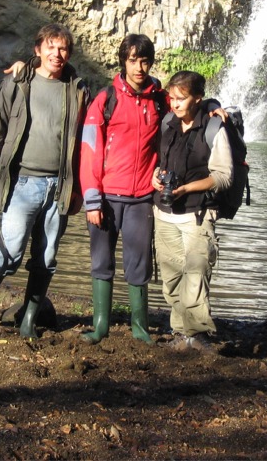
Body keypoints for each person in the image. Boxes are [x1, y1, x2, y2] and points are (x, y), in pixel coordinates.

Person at [0, 23, 89, 339]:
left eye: (63, 49)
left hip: (60, 186)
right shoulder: (17, 83)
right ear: (38, 49)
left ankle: (29, 322)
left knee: (46, 258)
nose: (57, 54)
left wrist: (80, 190)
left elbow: (85, 141)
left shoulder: (78, 89)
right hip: (22, 183)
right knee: (8, 252)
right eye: (51, 47)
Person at [78, 34, 165, 345]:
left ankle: (139, 327)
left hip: (142, 197)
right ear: (123, 62)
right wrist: (91, 199)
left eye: (144, 60)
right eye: (132, 60)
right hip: (106, 195)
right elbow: (89, 149)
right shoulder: (105, 99)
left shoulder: (160, 100)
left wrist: (212, 107)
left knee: (138, 263)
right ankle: (100, 324)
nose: (139, 67)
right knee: (101, 260)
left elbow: (187, 111)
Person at [151, 70, 232, 353]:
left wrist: (186, 189)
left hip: (197, 214)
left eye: (181, 99)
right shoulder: (167, 123)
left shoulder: (213, 128)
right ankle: (179, 333)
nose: (174, 104)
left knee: (196, 276)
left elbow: (223, 176)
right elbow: (160, 163)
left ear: (198, 99)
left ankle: (196, 335)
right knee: (172, 277)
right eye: (172, 98)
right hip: (164, 213)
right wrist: (155, 178)